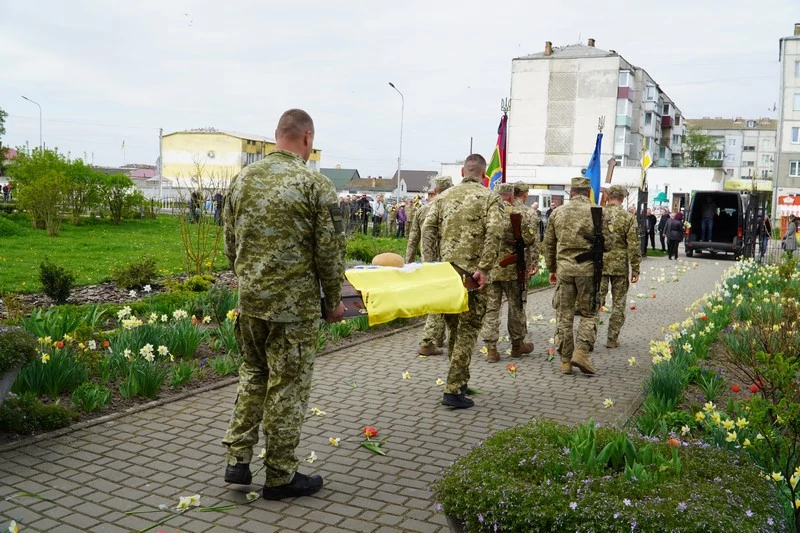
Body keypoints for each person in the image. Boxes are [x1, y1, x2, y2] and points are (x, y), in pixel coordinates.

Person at [222, 109, 346, 500]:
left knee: (253, 374)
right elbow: (329, 252)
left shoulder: (242, 180)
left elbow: (230, 243)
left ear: (278, 136)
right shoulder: (315, 184)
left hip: (251, 301)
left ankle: (238, 460)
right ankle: (279, 474)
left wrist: (249, 279)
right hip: (294, 309)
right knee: (287, 386)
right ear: (307, 138)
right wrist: (333, 301)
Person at [422, 155, 503, 408]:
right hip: (473, 278)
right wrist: (484, 268)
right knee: (467, 332)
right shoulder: (490, 198)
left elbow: (428, 229)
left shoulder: (444, 197)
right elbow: (495, 232)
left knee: (455, 329)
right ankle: (454, 390)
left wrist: (431, 265)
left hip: (447, 274)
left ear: (462, 171)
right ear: (483, 174)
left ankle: (459, 380)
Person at [542, 177, 600, 375]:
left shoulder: (558, 212)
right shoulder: (598, 212)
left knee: (564, 315)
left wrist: (551, 268)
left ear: (572, 192)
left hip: (564, 270)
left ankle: (566, 361)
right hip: (588, 270)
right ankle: (581, 353)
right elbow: (607, 243)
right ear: (588, 192)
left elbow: (548, 244)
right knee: (589, 313)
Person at [480, 183, 538, 363]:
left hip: (490, 268)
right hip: (513, 270)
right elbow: (530, 239)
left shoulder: (487, 212)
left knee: (491, 309)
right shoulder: (524, 212)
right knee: (517, 307)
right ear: (512, 196)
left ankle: (491, 348)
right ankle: (517, 345)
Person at [407, 176, 453, 355]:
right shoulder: (449, 208)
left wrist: (409, 262)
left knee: (438, 297)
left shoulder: (422, 210)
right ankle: (429, 340)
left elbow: (413, 239)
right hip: (445, 261)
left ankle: (438, 338)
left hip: (428, 262)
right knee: (441, 300)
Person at [599, 186, 640, 349]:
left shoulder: (598, 214)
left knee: (596, 301)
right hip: (620, 266)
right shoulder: (628, 217)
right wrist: (635, 269)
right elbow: (634, 246)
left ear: (608, 197)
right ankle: (612, 338)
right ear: (622, 199)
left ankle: (588, 338)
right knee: (618, 303)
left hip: (600, 265)